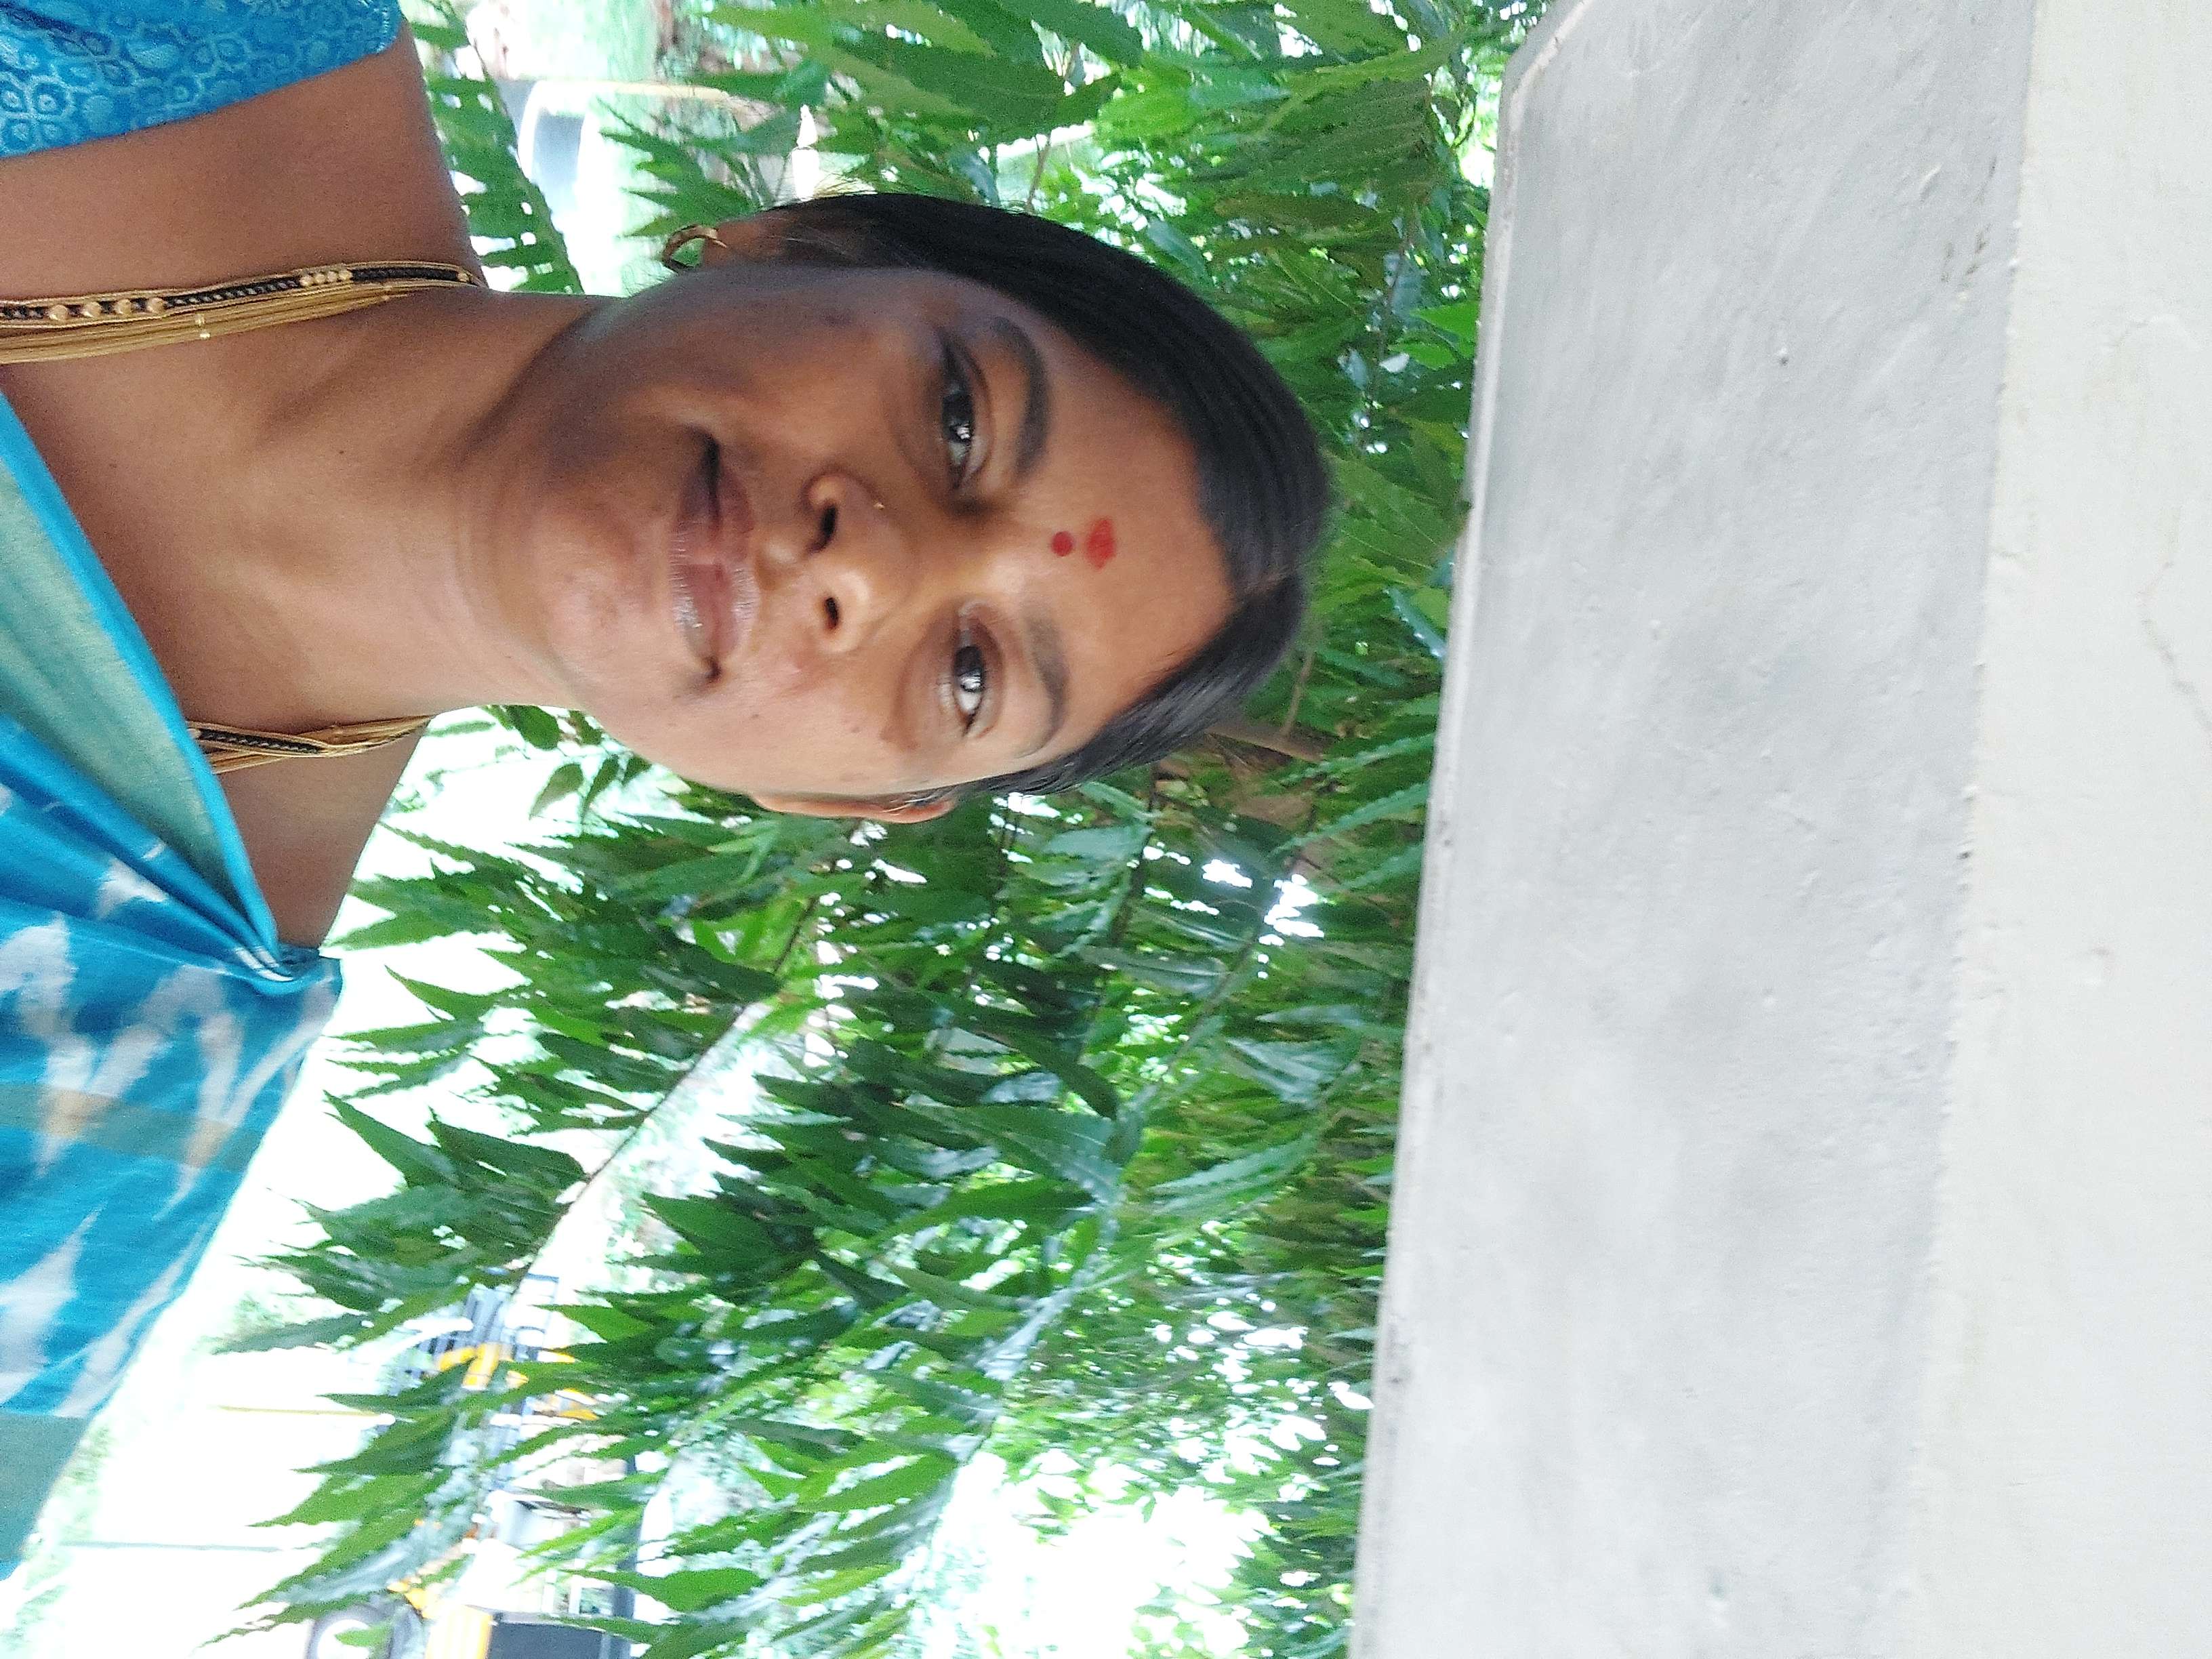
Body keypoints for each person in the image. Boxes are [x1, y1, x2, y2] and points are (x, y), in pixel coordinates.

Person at [0, 0, 1326, 1580]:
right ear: (796, 240)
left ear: (841, 801)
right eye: (960, 417)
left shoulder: (104, 1082)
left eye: (970, 675)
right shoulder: (184, 39)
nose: (867, 565)